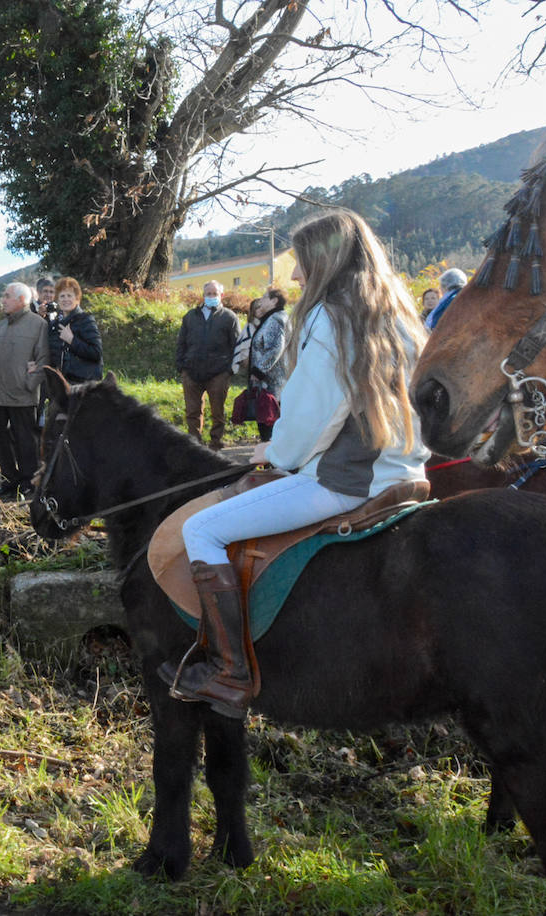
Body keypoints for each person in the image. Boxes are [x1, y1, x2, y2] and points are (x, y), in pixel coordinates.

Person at [163, 209, 429, 718]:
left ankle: (229, 672)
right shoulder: (397, 311)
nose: (294, 277)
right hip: (406, 472)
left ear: (324, 261)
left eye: (301, 262)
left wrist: (275, 451)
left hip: (347, 481)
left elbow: (314, 413)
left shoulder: (331, 315)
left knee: (202, 532)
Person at [0, 282, 48, 498]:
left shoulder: (38, 324)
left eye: (7, 296)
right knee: (2, 443)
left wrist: (29, 384)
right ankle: (9, 482)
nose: (3, 299)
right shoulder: (2, 325)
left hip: (23, 396)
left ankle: (29, 483)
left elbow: (43, 359)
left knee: (26, 442)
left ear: (22, 300)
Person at [176, 280, 240, 450]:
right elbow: (181, 343)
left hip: (219, 373)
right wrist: (181, 366)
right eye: (208, 294)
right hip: (191, 371)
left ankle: (216, 442)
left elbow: (236, 345)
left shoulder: (229, 317)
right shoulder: (190, 316)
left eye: (215, 294)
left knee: (218, 412)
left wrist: (230, 370)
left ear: (222, 295)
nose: (211, 297)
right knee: (192, 411)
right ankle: (194, 444)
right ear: (203, 295)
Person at [231, 287, 291, 441]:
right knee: (268, 424)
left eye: (265, 297)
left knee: (269, 425)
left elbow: (275, 348)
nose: (261, 300)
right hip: (270, 383)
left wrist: (258, 372)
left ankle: (271, 462)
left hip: (271, 384)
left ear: (274, 301)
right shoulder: (273, 318)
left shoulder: (276, 319)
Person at [46, 277, 103, 383]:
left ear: (77, 298)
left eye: (69, 295)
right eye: (62, 296)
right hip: (61, 384)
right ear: (57, 300)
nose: (65, 299)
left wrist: (72, 340)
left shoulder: (85, 320)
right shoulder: (55, 325)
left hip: (82, 385)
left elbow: (96, 353)